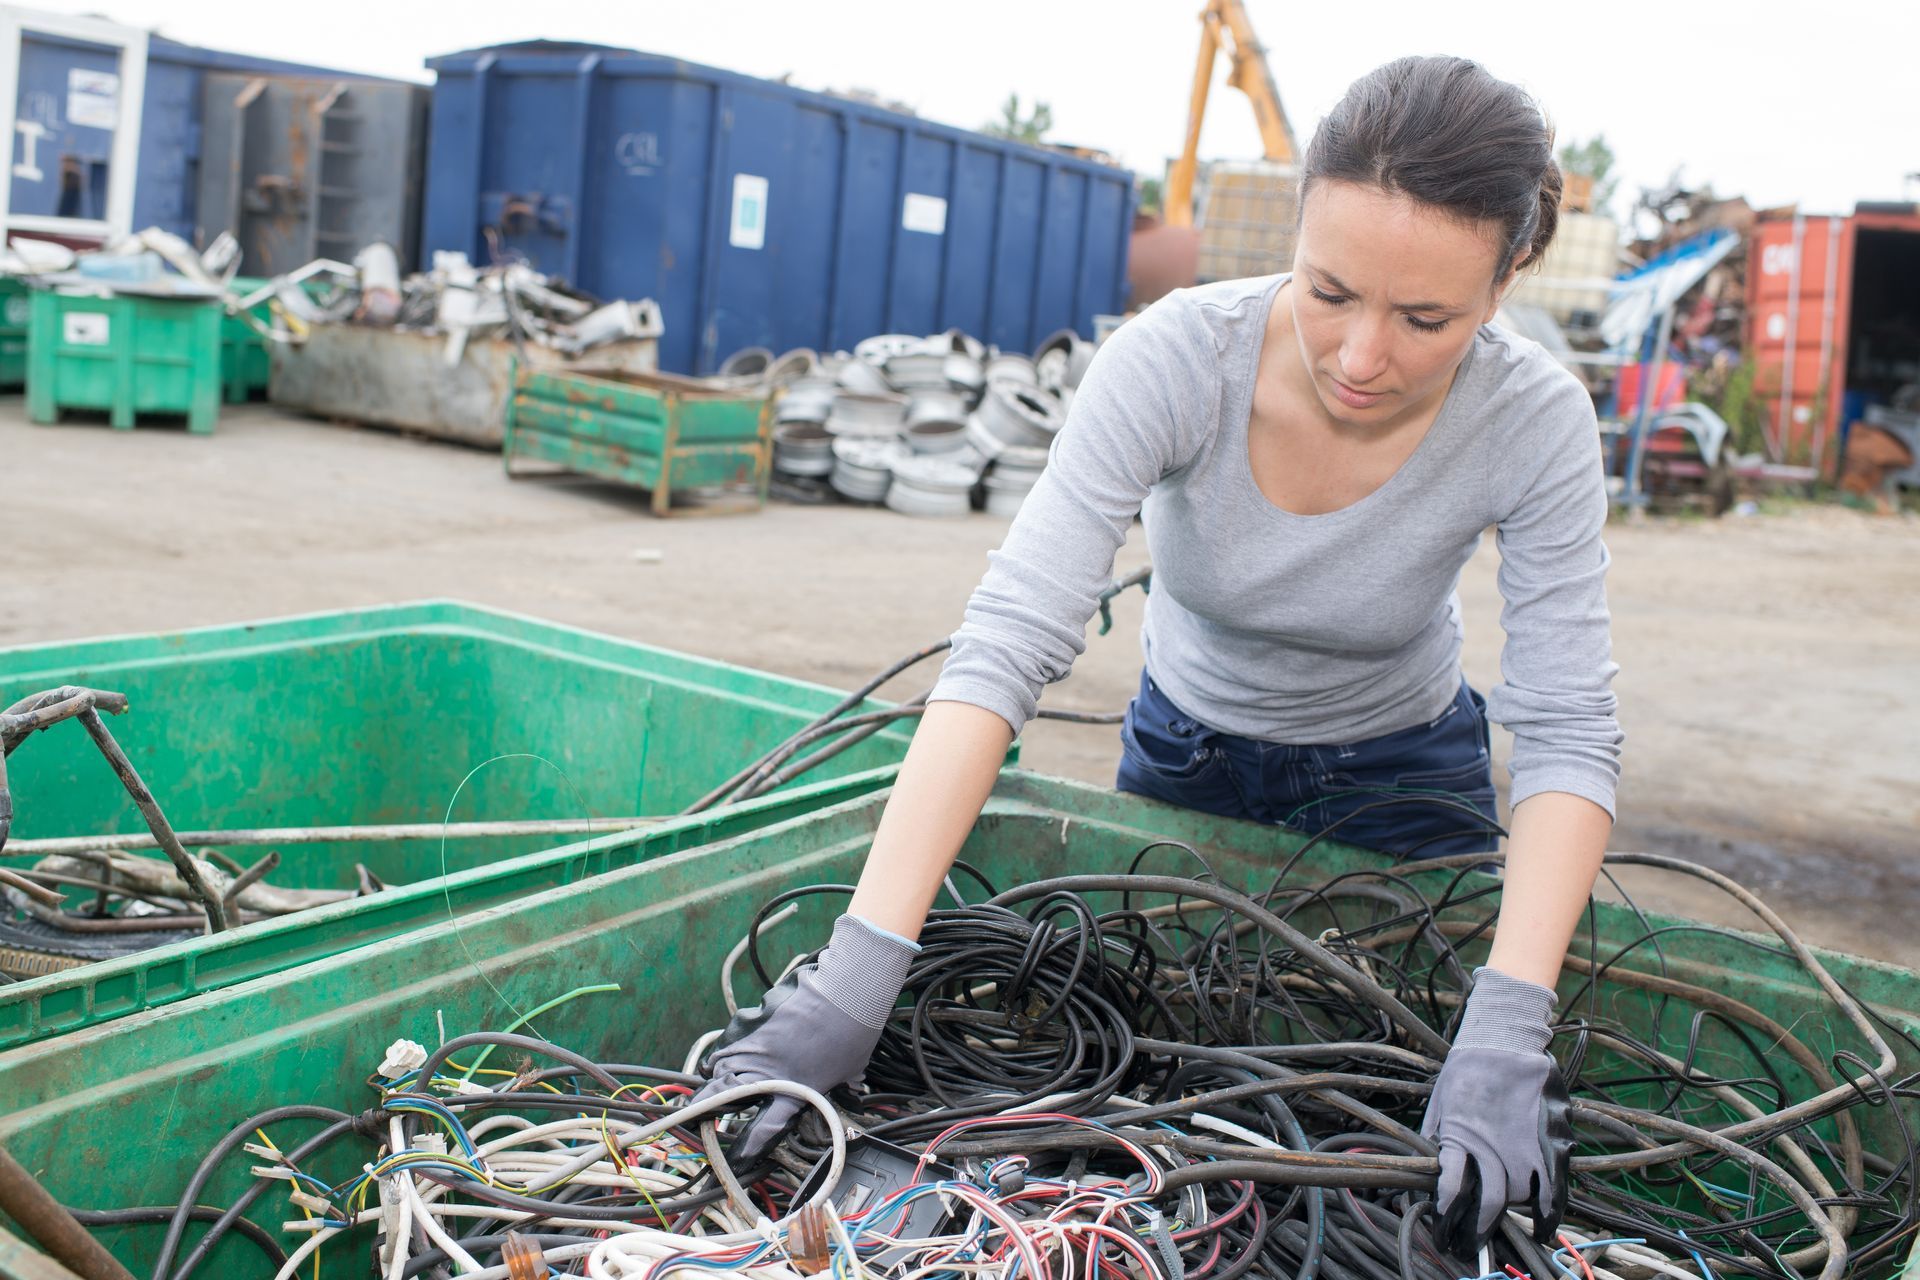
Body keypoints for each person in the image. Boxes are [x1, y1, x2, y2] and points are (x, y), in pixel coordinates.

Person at [700, 54, 1621, 1255]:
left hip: (1409, 780)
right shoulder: (1180, 356)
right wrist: (858, 971)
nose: (1359, 355)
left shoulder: (1537, 419)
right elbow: (1006, 648)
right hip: (1190, 760)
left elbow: (1564, 729)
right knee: (1166, 1115)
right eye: (1331, 289)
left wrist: (1508, 1020)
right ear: (1293, 226)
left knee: (1395, 1125)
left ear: (1506, 282)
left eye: (1426, 319)